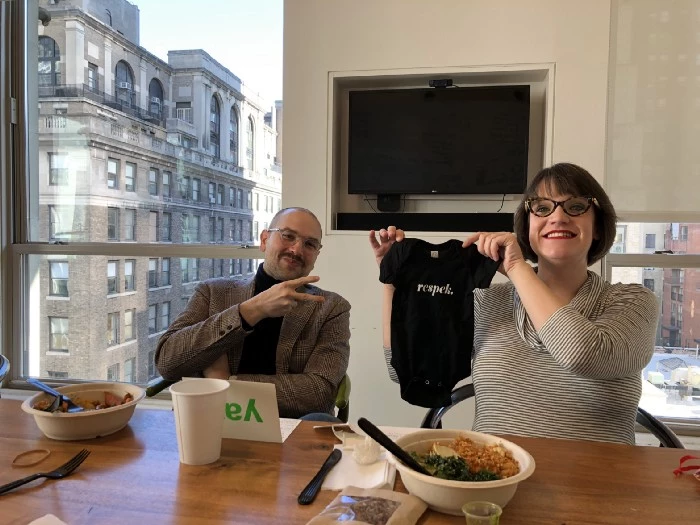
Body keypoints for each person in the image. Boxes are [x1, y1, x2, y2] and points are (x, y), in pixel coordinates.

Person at [369, 163, 658, 444]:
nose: (558, 218)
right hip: (494, 476)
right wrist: (394, 278)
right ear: (528, 227)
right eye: (542, 208)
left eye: (576, 206)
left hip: (596, 484)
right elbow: (403, 369)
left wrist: (517, 268)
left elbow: (583, 354)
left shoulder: (632, 302)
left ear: (597, 227)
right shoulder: (487, 302)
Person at [156, 207, 350, 420]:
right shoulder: (213, 293)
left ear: (316, 255)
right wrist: (250, 311)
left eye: (310, 244)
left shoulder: (330, 308)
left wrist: (227, 382)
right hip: (209, 421)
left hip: (289, 427)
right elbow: (167, 362)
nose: (296, 250)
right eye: (288, 236)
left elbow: (320, 394)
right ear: (265, 240)